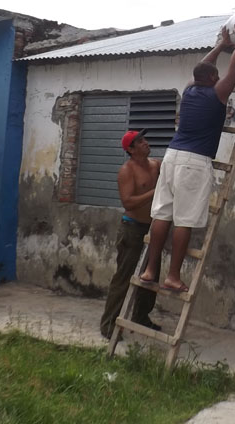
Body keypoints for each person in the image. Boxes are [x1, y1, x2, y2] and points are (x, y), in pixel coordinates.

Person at [140, 21, 235, 293]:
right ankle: (173, 275)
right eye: (216, 75)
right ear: (213, 78)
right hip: (194, 161)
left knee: (163, 215)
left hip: (171, 156)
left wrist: (222, 44)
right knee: (185, 220)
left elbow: (201, 65)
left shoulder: (188, 89)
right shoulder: (218, 94)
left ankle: (151, 269)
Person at [99, 129, 161, 338]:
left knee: (150, 277)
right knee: (124, 277)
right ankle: (108, 325)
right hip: (132, 228)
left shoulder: (156, 165)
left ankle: (141, 317)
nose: (145, 143)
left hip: (153, 229)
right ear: (131, 149)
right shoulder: (127, 170)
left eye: (145, 139)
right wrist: (154, 192)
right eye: (139, 141)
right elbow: (127, 202)